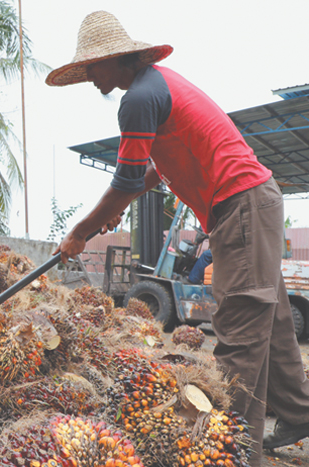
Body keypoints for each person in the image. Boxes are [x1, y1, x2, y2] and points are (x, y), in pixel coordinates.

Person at [46, 10, 309, 465]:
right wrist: (117, 209)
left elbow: (127, 179)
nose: (89, 77)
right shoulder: (155, 86)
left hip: (240, 202)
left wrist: (79, 233)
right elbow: (148, 173)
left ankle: (232, 448)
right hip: (251, 202)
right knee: (273, 322)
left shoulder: (139, 98)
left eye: (92, 67)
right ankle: (300, 413)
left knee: (240, 326)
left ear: (115, 59)